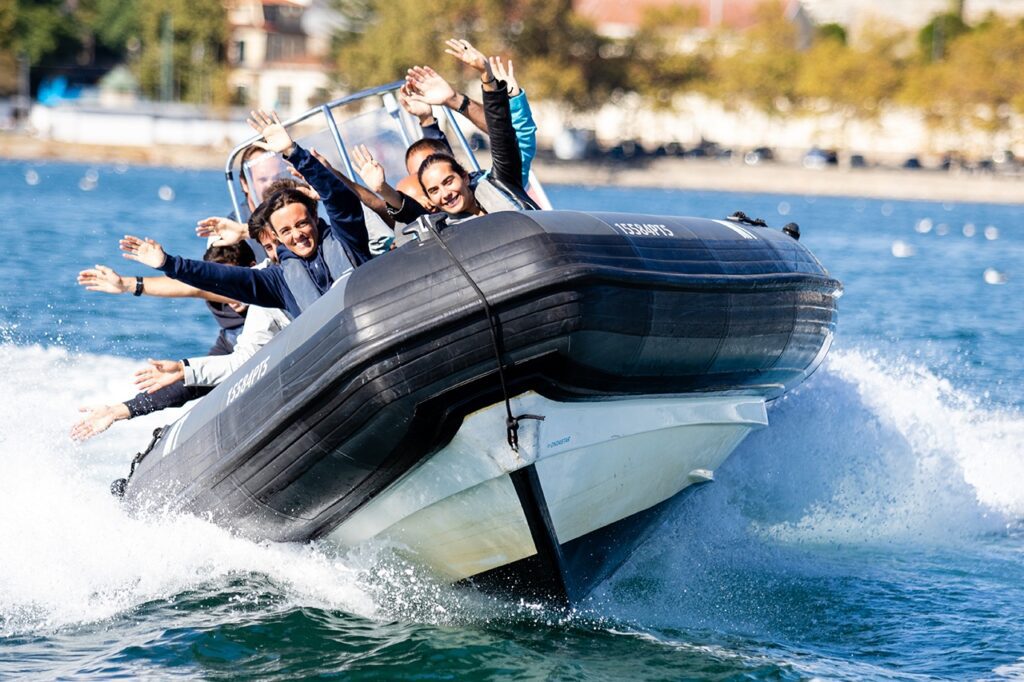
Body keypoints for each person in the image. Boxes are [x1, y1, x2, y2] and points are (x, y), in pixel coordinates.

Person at [352, 55, 526, 225]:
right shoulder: (442, 226)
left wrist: (486, 77)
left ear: (465, 177)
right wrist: (383, 190)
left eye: (448, 182)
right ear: (429, 199)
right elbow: (408, 209)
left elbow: (501, 134)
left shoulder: (501, 182)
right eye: (434, 190)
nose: (445, 194)